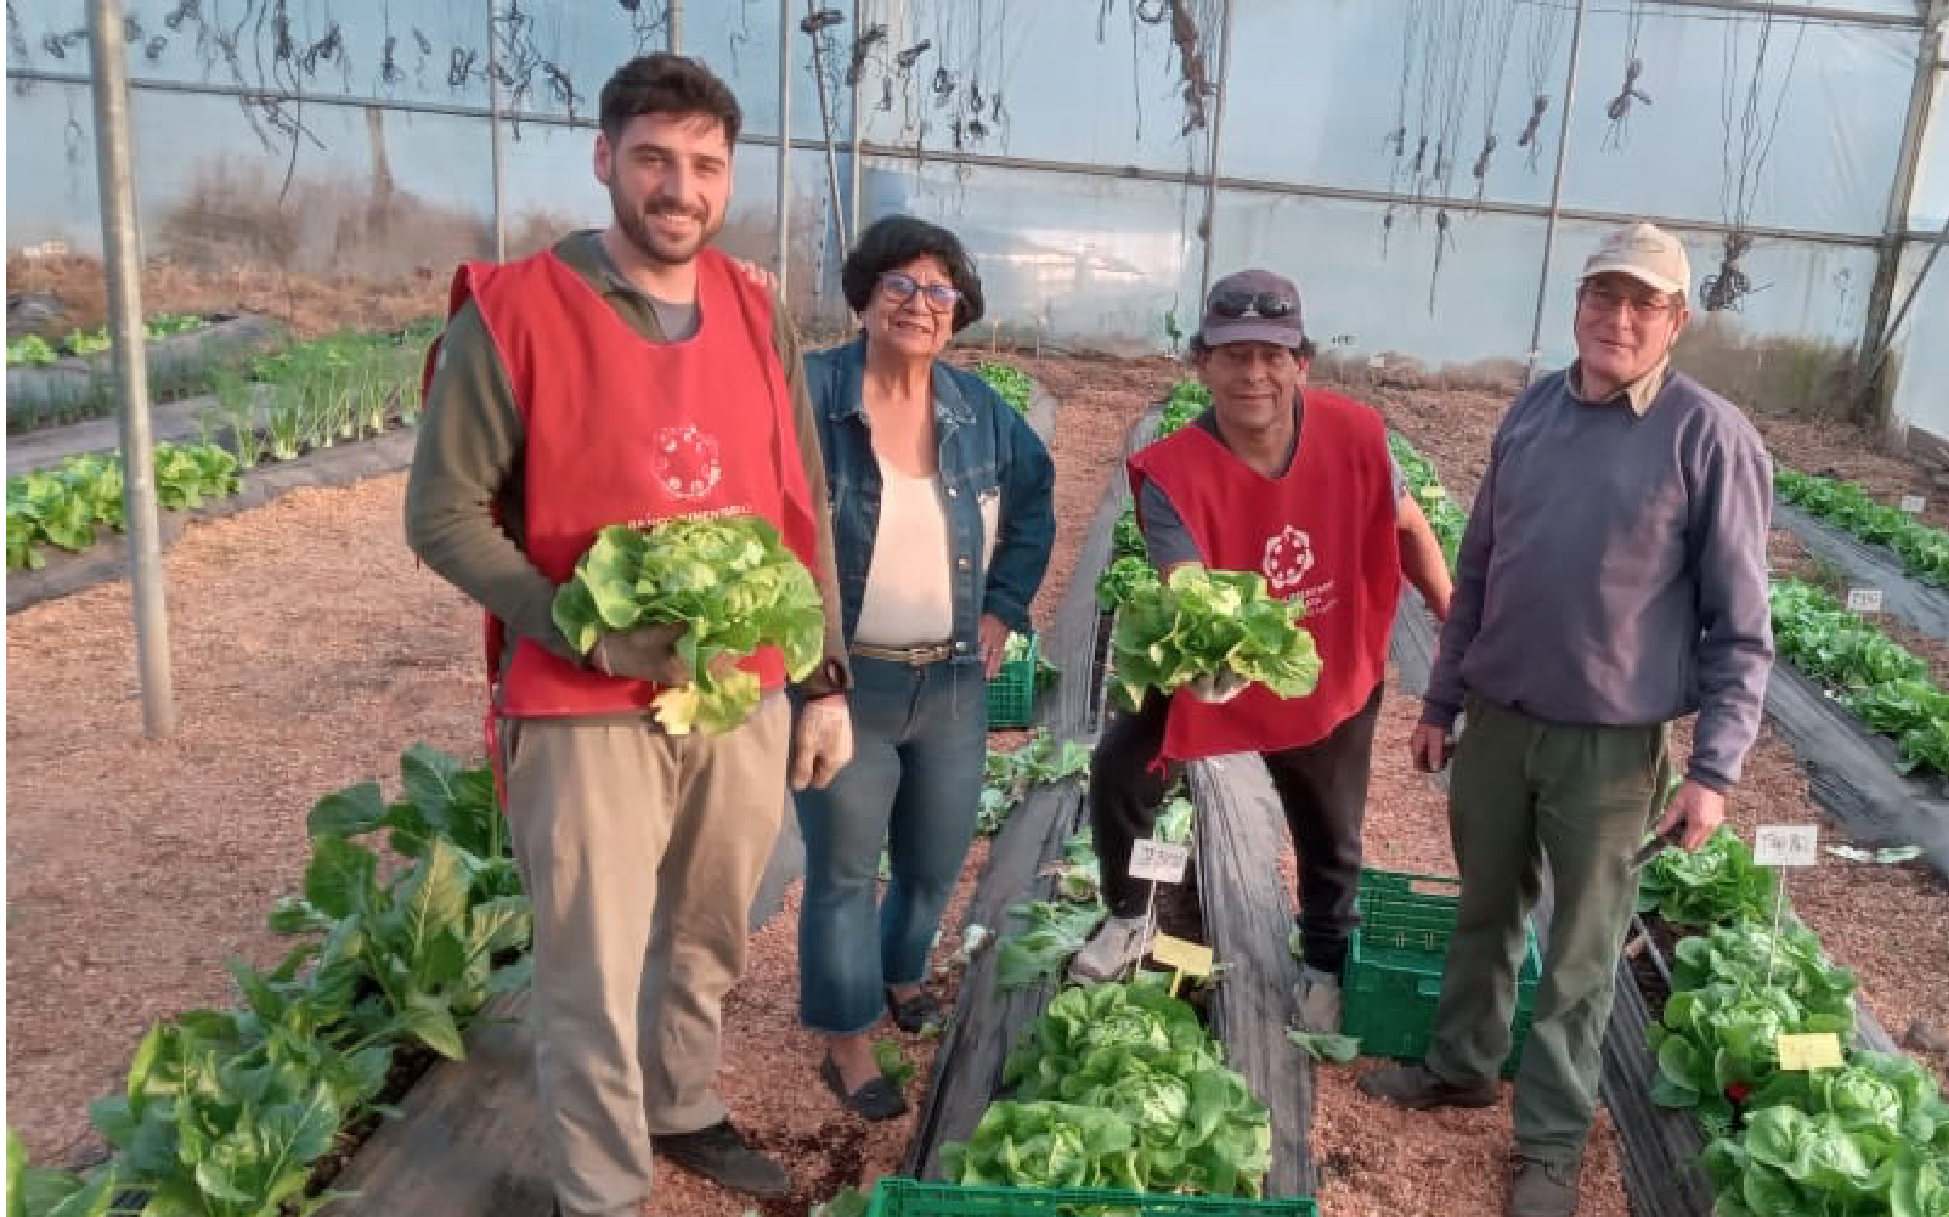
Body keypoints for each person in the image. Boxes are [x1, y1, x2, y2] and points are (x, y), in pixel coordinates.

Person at [404, 53, 855, 1217]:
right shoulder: (512, 314)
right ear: (605, 158)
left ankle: (681, 1100)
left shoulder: (757, 310)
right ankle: (600, 1186)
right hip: (579, 693)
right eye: (655, 157)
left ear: (727, 177)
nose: (680, 186)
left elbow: (799, 498)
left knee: (710, 924)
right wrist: (581, 629)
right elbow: (442, 513)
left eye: (705, 164)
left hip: (742, 687)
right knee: (592, 960)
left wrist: (822, 679)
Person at [1356, 222, 1776, 1217]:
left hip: (1611, 747)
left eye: (1643, 303)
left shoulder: (1707, 435)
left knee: (1584, 951)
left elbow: (1741, 626)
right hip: (1500, 720)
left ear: (1676, 319)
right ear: (1577, 302)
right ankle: (1461, 1063)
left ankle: (1547, 1140)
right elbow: (1483, 566)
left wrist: (1714, 770)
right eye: (1603, 295)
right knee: (1484, 908)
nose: (1617, 318)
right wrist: (1443, 696)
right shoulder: (1532, 412)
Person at [1067, 269, 1455, 1033]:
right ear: (1201, 363)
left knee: (1328, 828)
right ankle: (1130, 912)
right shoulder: (1174, 468)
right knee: (1122, 771)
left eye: (1272, 355)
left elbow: (1410, 528)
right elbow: (1186, 582)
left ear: (1301, 363)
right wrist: (1214, 661)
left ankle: (1322, 962)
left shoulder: (1357, 436)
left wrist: (1456, 628)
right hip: (1218, 665)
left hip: (1327, 661)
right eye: (1233, 354)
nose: (1254, 374)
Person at [790, 215, 1056, 1120]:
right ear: (863, 297)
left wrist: (1002, 609)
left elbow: (1036, 502)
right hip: (845, 685)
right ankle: (848, 1039)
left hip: (949, 683)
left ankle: (903, 976)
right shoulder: (811, 393)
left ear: (957, 314)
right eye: (897, 284)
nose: (917, 303)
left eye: (937, 291)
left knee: (935, 861)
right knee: (842, 869)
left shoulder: (979, 412)